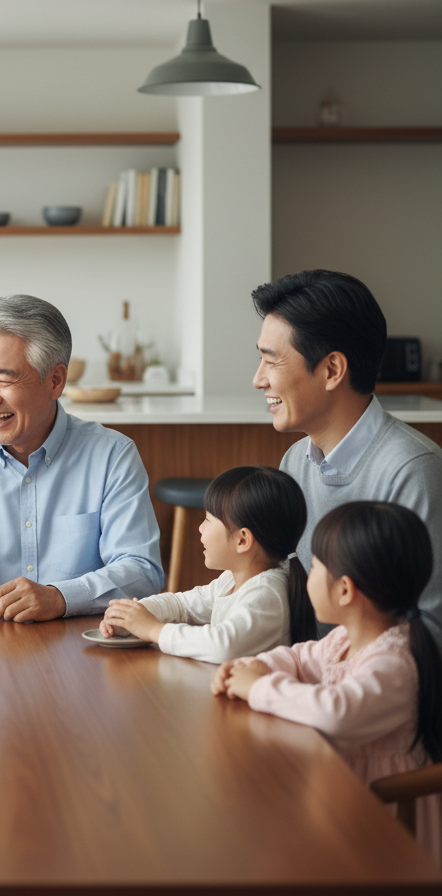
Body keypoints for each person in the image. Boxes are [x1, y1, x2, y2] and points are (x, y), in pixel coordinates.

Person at [0, 294, 163, 621]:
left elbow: (143, 573)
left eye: (4, 380)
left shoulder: (113, 457)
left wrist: (59, 597)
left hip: (84, 642)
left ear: (55, 381)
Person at [212, 502, 442, 864]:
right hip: (342, 793)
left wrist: (257, 687)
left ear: (345, 590)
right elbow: (298, 658)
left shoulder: (395, 663)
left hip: (386, 819)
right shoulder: (345, 639)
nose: (308, 574)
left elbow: (337, 713)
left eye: (316, 566)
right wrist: (256, 665)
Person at [252, 270, 442, 645]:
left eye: (271, 361)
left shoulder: (414, 472)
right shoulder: (295, 462)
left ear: (332, 370)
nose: (258, 379)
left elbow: (430, 633)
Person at [100, 465, 318, 662]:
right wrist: (133, 615)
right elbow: (182, 605)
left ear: (242, 540)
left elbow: (223, 645)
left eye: (207, 519)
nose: (200, 528)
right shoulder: (232, 579)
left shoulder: (267, 593)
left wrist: (152, 629)